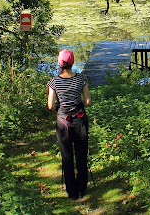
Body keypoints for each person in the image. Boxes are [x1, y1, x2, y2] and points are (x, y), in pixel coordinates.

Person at [47, 49, 92, 200]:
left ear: (60, 63)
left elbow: (50, 106)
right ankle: (82, 189)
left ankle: (71, 191)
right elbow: (87, 101)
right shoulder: (81, 79)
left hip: (63, 123)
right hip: (80, 120)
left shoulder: (54, 81)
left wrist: (60, 108)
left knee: (67, 156)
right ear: (72, 62)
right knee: (81, 155)